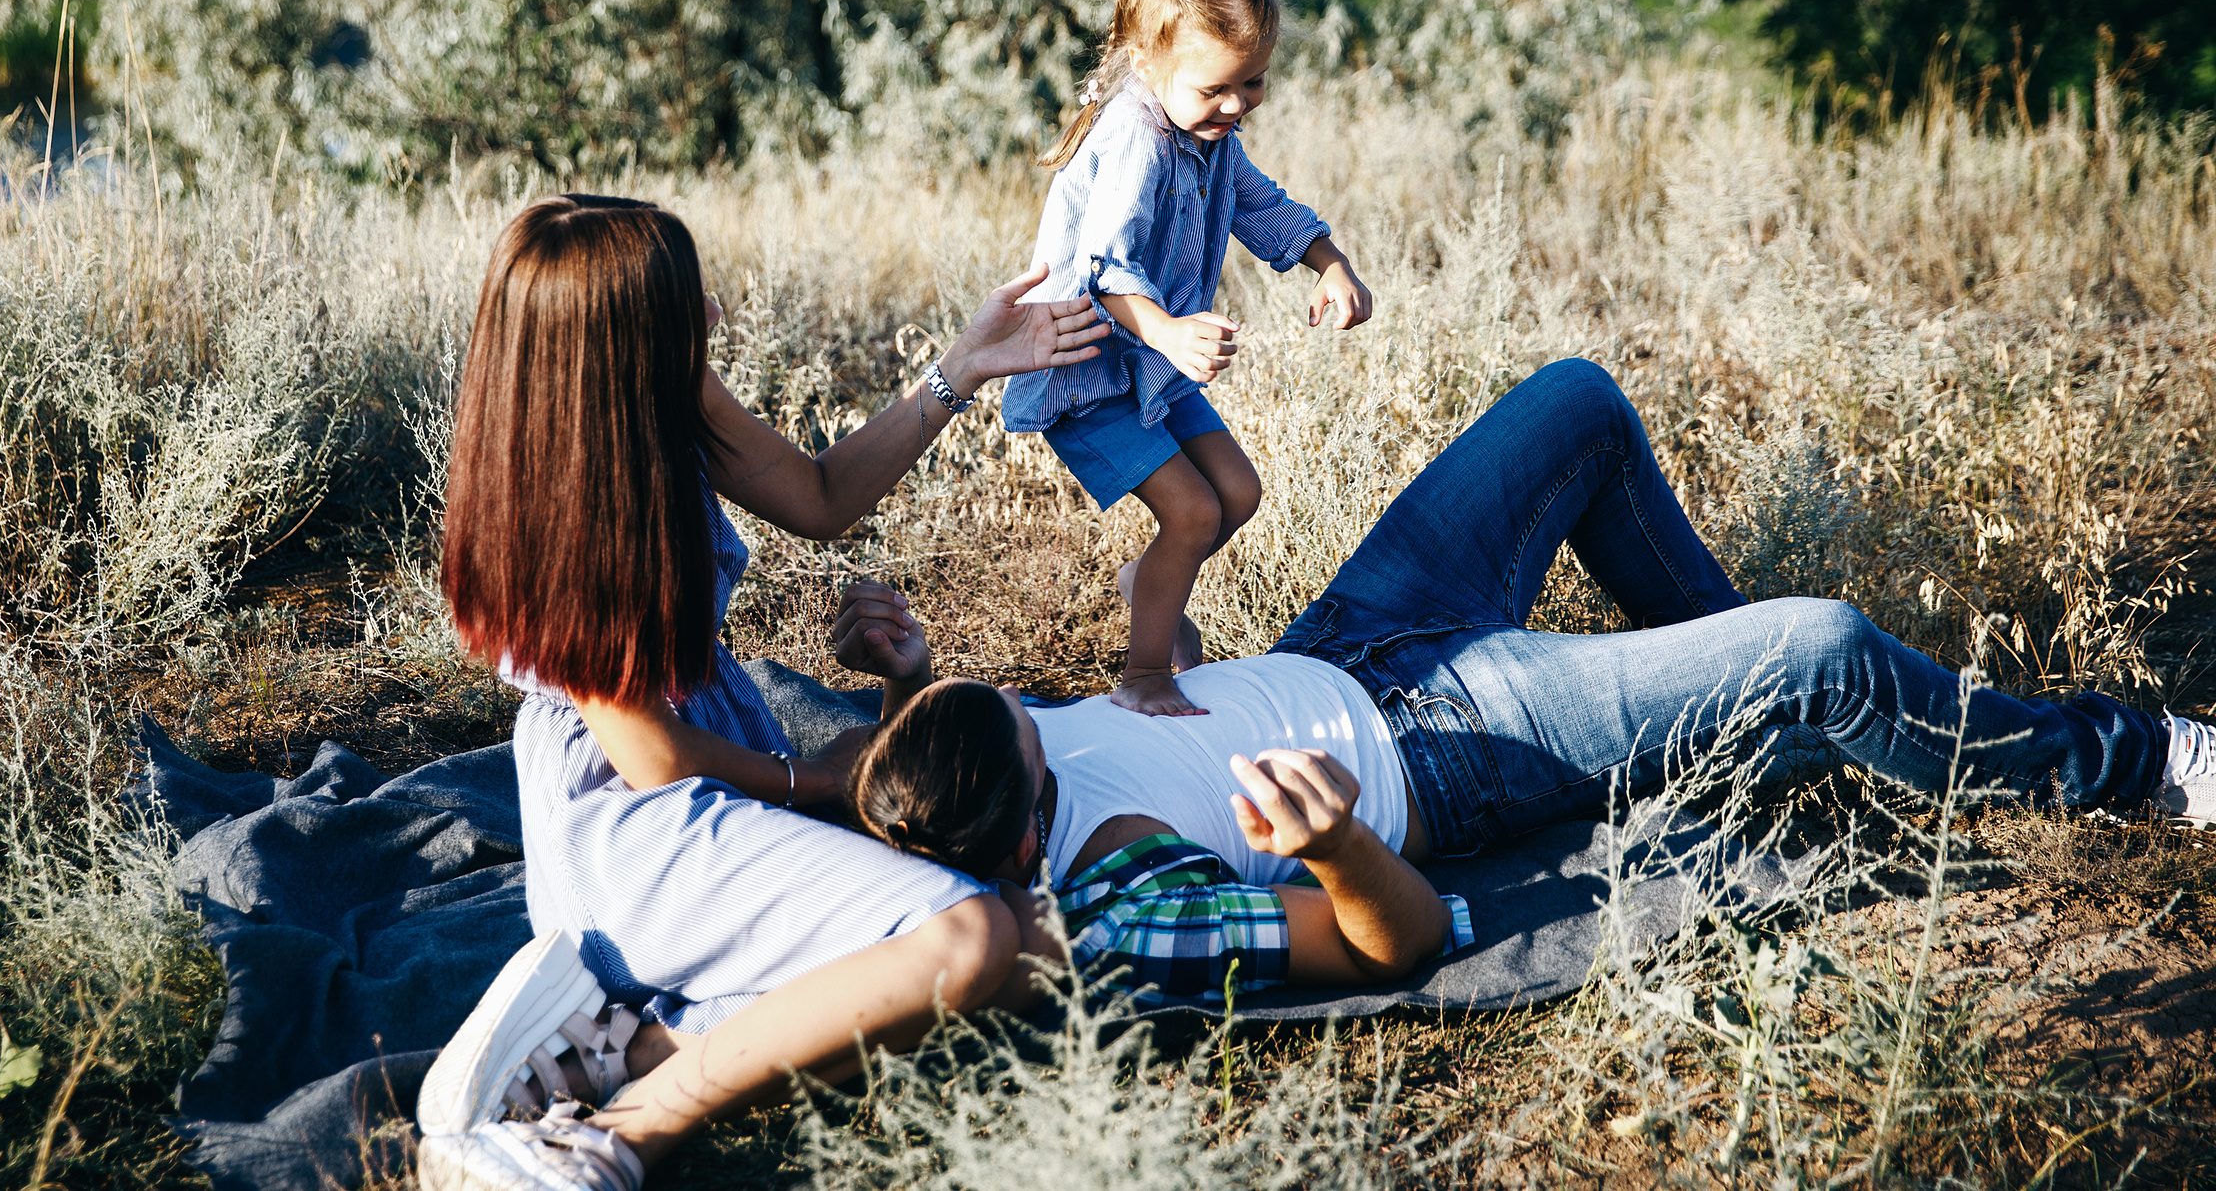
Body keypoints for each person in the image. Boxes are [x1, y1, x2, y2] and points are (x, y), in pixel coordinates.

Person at [849, 358, 2216, 1004]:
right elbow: (1406, 939)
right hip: (1451, 741)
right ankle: (2143, 758)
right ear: (1025, 838)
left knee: (1575, 405)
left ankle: (1756, 717)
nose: (1043, 725)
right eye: (1034, 750)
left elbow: (1063, 729)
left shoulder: (961, 755)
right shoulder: (1124, 906)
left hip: (1352, 636)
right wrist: (1328, 840)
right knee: (1827, 647)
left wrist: (918, 671)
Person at [416, 194, 1111, 1191]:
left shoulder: (666, 392)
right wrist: (813, 777)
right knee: (968, 933)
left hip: (705, 745)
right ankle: (614, 1135)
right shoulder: (555, 506)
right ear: (619, 337)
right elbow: (647, 754)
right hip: (631, 818)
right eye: (681, 297)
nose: (709, 307)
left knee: (1024, 943)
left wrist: (960, 369)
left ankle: (623, 1045)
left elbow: (821, 496)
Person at [1006, 0, 1376, 718]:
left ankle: (1149, 580)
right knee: (1194, 509)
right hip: (1086, 369)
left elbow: (1262, 205)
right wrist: (1171, 332)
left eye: (1254, 83)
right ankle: (1143, 675)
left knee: (1236, 492)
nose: (1236, 105)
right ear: (1148, 61)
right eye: (1217, 89)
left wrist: (1330, 263)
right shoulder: (1136, 139)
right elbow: (1105, 273)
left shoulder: (1209, 134)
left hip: (1147, 366)